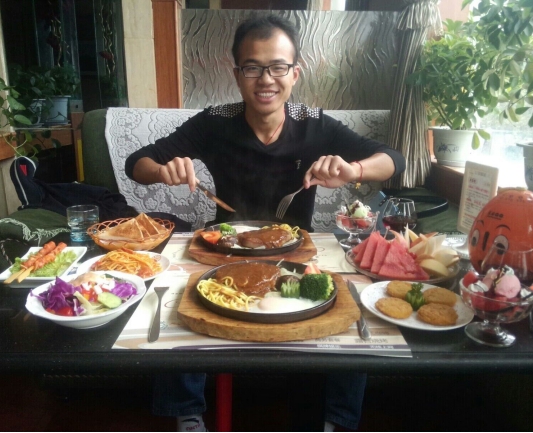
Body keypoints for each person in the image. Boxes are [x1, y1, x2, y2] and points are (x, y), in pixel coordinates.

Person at [126, 14, 406, 432]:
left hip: (299, 252)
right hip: (221, 249)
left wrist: (354, 170)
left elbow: (393, 160)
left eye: (277, 67)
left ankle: (335, 421)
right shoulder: (215, 121)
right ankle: (186, 413)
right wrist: (163, 170)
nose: (266, 80)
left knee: (351, 307)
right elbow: (137, 162)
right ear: (237, 74)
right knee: (177, 301)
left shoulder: (314, 123)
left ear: (295, 73)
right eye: (253, 67)